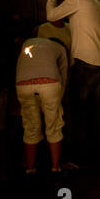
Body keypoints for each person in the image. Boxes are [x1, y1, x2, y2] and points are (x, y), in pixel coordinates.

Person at [46, 0, 100, 169]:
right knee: (98, 112)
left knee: (79, 112)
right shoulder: (97, 3)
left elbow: (51, 16)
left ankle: (80, 157)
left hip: (84, 60)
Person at [16, 37, 68, 178]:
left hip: (22, 83)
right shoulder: (61, 48)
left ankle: (30, 169)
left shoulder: (28, 41)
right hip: (50, 83)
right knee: (53, 125)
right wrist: (58, 100)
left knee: (30, 127)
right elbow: (63, 76)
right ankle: (56, 168)